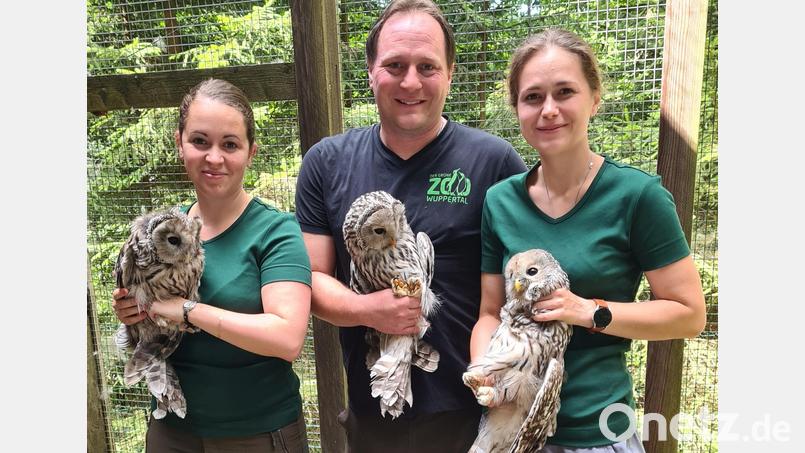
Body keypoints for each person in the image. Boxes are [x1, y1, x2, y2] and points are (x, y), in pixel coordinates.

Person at [294, 0, 527, 451]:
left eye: (427, 66)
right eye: (395, 65)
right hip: (373, 409)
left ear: (451, 73)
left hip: (474, 412)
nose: (411, 81)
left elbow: (525, 286)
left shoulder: (492, 161)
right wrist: (368, 310)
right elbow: (310, 279)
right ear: (370, 71)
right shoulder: (327, 162)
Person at [471, 28, 706, 451]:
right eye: (532, 97)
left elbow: (689, 314)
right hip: (512, 426)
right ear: (517, 109)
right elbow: (489, 312)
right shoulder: (500, 201)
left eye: (565, 92)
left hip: (597, 432)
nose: (549, 110)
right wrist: (484, 368)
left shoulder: (637, 196)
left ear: (594, 99)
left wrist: (590, 312)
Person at [112, 78, 312, 452]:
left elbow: (288, 338)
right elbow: (153, 316)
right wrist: (135, 312)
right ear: (180, 143)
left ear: (251, 153)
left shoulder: (275, 230)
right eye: (200, 141)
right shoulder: (162, 229)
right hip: (171, 427)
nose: (214, 157)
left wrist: (186, 311)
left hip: (256, 432)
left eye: (230, 144)